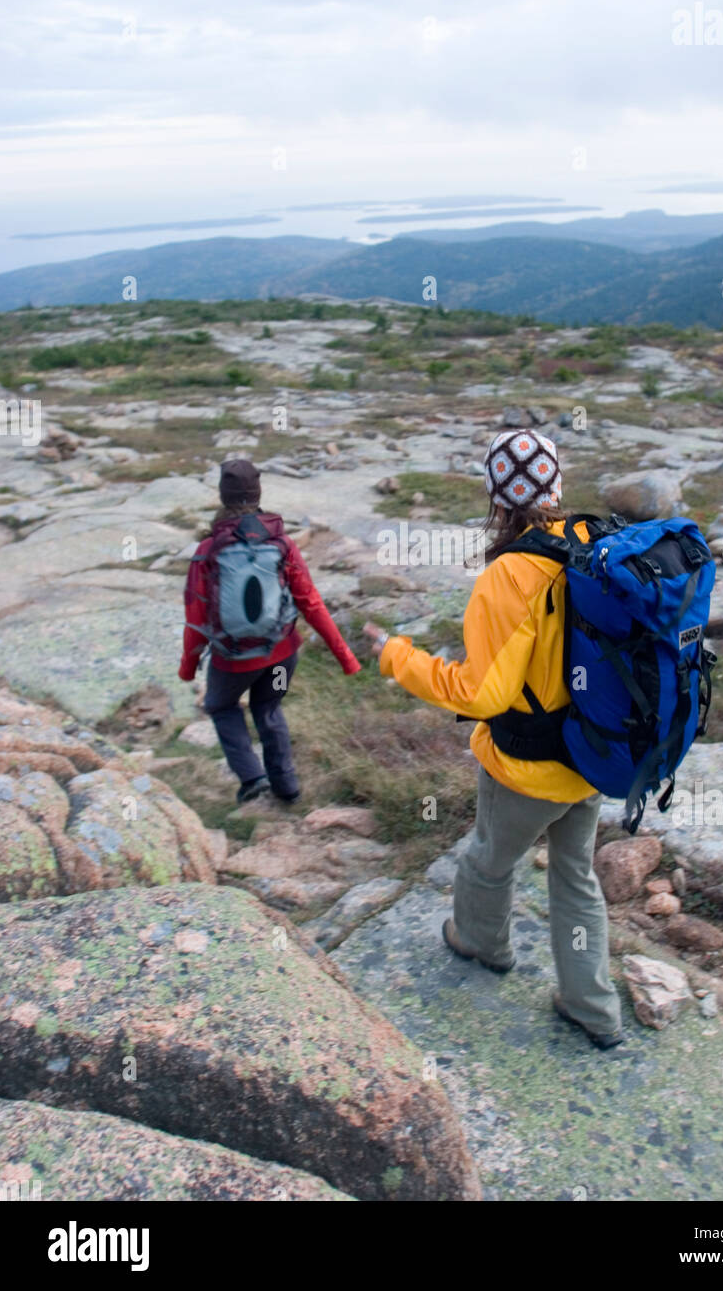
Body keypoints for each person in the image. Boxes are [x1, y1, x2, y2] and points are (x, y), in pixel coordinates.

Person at [364, 429, 624, 1049]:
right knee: (576, 877)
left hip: (528, 766)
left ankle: (484, 944)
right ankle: (594, 1007)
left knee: (488, 861)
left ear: (496, 497)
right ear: (557, 486)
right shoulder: (594, 541)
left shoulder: (509, 575)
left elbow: (483, 695)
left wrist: (397, 656)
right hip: (592, 755)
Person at [179, 458, 361, 803]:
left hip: (233, 663)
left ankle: (252, 777)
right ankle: (287, 786)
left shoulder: (207, 551)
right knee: (269, 707)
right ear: (258, 492)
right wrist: (346, 657)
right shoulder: (282, 543)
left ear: (223, 496)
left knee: (220, 705)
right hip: (280, 658)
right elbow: (311, 603)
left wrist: (188, 668)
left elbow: (196, 617)